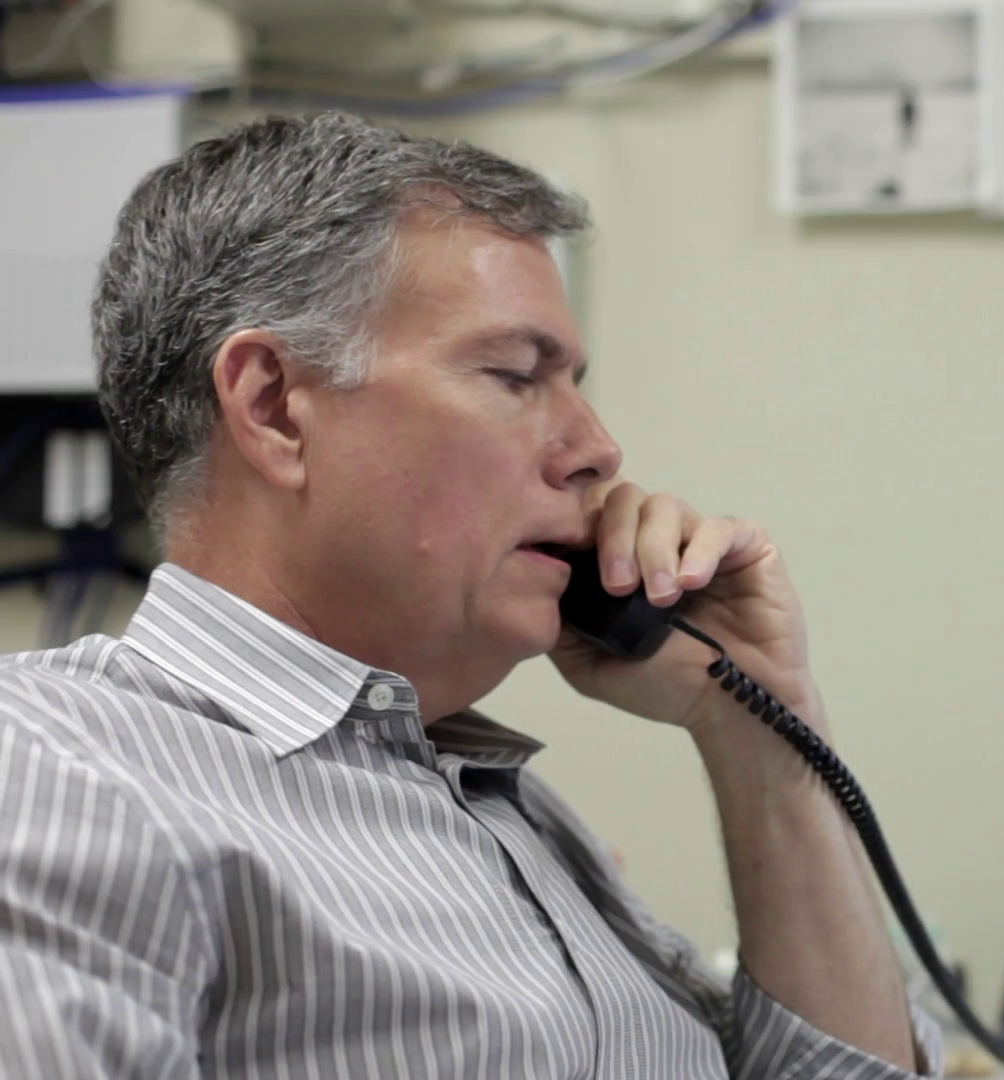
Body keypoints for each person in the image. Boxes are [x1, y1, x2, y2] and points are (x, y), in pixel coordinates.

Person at [0, 112, 939, 1080]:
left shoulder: (509, 809)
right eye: (515, 375)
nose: (598, 448)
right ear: (274, 406)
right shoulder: (55, 772)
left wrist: (761, 727)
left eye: (572, 382)